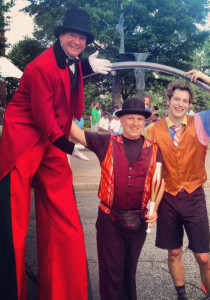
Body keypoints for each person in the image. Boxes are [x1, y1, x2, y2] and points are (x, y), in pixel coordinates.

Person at [0, 8, 112, 300]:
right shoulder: (39, 66)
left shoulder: (70, 61)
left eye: (82, 37)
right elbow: (43, 116)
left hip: (49, 141)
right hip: (24, 142)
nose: (77, 40)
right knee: (14, 226)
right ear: (60, 35)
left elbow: (66, 74)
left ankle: (65, 293)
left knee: (65, 219)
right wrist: (69, 147)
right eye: (72, 34)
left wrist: (86, 66)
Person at [69, 97, 165, 300]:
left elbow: (160, 181)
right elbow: (74, 131)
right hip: (109, 220)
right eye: (130, 118)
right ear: (121, 120)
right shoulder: (106, 142)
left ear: (145, 122)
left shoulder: (154, 149)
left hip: (139, 221)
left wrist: (154, 208)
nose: (135, 123)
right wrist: (60, 101)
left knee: (129, 271)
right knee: (111, 274)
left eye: (140, 119)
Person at [144, 70, 210, 300]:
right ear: (168, 100)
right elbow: (147, 169)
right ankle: (181, 295)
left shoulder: (200, 122)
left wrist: (206, 79)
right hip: (167, 198)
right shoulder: (152, 131)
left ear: (190, 104)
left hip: (193, 196)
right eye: (176, 99)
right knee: (174, 252)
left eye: (185, 101)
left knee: (204, 257)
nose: (180, 104)